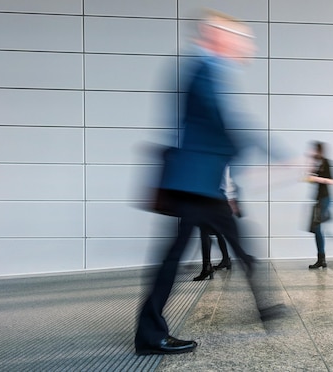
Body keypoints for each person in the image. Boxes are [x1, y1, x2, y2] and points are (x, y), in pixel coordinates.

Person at [135, 10, 285, 356]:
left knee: (241, 249)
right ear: (217, 36)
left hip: (205, 185)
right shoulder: (204, 68)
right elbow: (225, 124)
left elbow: (220, 130)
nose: (246, 46)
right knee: (173, 259)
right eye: (240, 38)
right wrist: (274, 154)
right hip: (193, 184)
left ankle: (265, 308)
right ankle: (149, 334)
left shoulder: (210, 69)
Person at [193, 167, 238, 281]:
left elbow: (224, 181)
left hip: (213, 198)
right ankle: (226, 259)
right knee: (217, 231)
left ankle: (206, 267)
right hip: (218, 198)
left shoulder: (217, 159)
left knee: (205, 231)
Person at [306, 141, 333, 269]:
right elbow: (311, 180)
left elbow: (332, 180)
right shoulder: (316, 163)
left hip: (325, 199)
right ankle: (321, 259)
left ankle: (322, 259)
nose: (312, 153)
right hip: (318, 199)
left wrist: (316, 178)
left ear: (319, 151)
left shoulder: (327, 163)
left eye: (314, 150)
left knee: (316, 227)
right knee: (315, 229)